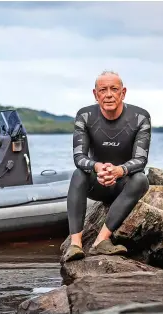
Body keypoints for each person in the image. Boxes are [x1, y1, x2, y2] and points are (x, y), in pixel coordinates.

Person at [62, 71, 151, 262]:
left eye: (114, 89)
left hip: (123, 183)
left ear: (123, 93)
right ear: (95, 94)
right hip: (98, 182)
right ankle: (75, 244)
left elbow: (140, 160)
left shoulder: (140, 117)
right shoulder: (85, 116)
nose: (109, 94)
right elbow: (79, 157)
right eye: (103, 90)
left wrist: (119, 171)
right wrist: (98, 167)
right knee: (78, 174)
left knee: (141, 179)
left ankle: (101, 241)